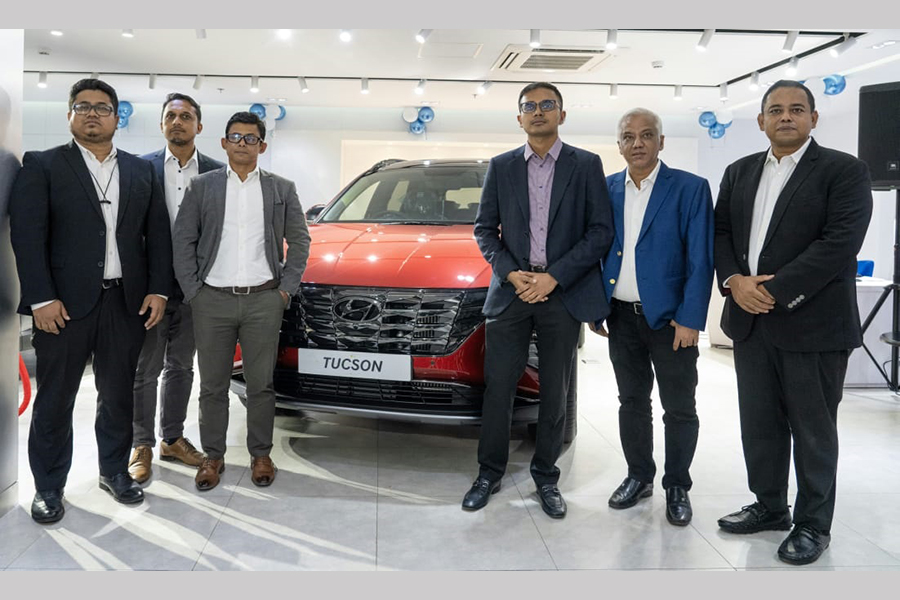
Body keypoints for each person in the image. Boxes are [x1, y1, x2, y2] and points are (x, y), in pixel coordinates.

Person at [714, 80, 873, 564]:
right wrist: (734, 281)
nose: (786, 116)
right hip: (750, 322)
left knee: (813, 430)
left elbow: (839, 243)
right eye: (776, 110)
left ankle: (812, 524)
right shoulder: (739, 172)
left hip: (814, 324)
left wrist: (771, 290)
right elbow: (721, 232)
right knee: (759, 424)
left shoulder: (844, 171)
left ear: (813, 119)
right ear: (761, 120)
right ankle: (768, 506)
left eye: (796, 109)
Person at [9, 78, 172, 523]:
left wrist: (158, 289)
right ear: (69, 116)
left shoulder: (141, 171)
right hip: (62, 307)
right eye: (83, 106)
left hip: (126, 303)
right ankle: (48, 486)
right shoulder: (42, 165)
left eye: (103, 107)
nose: (93, 113)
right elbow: (27, 235)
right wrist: (41, 298)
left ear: (117, 117)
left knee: (117, 395)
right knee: (56, 399)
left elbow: (157, 235)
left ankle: (114, 471)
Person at [464, 82, 613, 518]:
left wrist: (553, 278)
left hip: (561, 295)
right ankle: (488, 473)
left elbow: (599, 231)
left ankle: (546, 477)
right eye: (529, 106)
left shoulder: (585, 165)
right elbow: (484, 230)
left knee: (555, 390)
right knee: (499, 390)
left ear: (562, 115)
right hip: (511, 294)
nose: (538, 112)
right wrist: (512, 273)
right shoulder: (502, 166)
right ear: (519, 118)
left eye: (548, 105)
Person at [172, 111, 310, 492]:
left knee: (260, 385)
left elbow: (300, 242)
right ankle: (212, 456)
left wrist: (286, 289)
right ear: (224, 142)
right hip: (211, 300)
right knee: (213, 385)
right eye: (236, 137)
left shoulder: (282, 188)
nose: (243, 144)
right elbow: (183, 240)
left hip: (264, 299)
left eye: (251, 138)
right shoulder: (203, 187)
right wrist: (193, 292)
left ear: (262, 146)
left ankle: (261, 454)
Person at [591, 108, 713, 526]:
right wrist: (596, 306)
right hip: (620, 318)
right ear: (619, 144)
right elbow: (596, 251)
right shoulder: (606, 189)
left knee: (679, 407)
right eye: (628, 136)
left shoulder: (690, 189)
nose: (637, 143)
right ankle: (639, 475)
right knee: (631, 402)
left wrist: (691, 318)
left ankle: (677, 485)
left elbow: (701, 258)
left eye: (647, 135)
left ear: (662, 142)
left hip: (671, 321)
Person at [128, 93, 225, 484]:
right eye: (171, 115)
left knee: (181, 367)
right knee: (144, 370)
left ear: (199, 126)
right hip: (151, 290)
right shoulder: (140, 169)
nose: (178, 121)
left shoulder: (217, 173)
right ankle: (141, 444)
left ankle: (172, 438)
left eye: (186, 116)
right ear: (162, 124)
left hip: (194, 291)